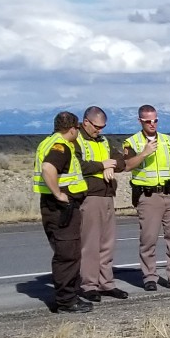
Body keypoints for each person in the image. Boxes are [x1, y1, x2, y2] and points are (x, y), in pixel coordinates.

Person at [119, 103, 170, 292]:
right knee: (148, 239)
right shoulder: (131, 142)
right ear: (140, 121)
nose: (152, 124)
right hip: (148, 197)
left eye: (155, 120)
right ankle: (149, 276)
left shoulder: (168, 141)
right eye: (148, 121)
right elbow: (126, 166)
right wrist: (144, 153)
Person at [33, 110, 90, 313]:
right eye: (78, 129)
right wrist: (59, 194)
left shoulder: (48, 142)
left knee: (66, 251)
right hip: (61, 208)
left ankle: (69, 295)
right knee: (68, 253)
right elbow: (49, 168)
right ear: (73, 128)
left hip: (53, 206)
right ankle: (67, 300)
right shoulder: (61, 146)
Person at [75, 106, 127, 300]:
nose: (99, 131)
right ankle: (89, 285)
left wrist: (111, 163)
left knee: (107, 243)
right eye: (97, 127)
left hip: (107, 196)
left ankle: (106, 283)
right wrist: (101, 166)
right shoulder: (77, 140)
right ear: (86, 122)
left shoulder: (103, 141)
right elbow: (77, 165)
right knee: (90, 243)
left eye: (102, 127)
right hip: (89, 196)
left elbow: (121, 161)